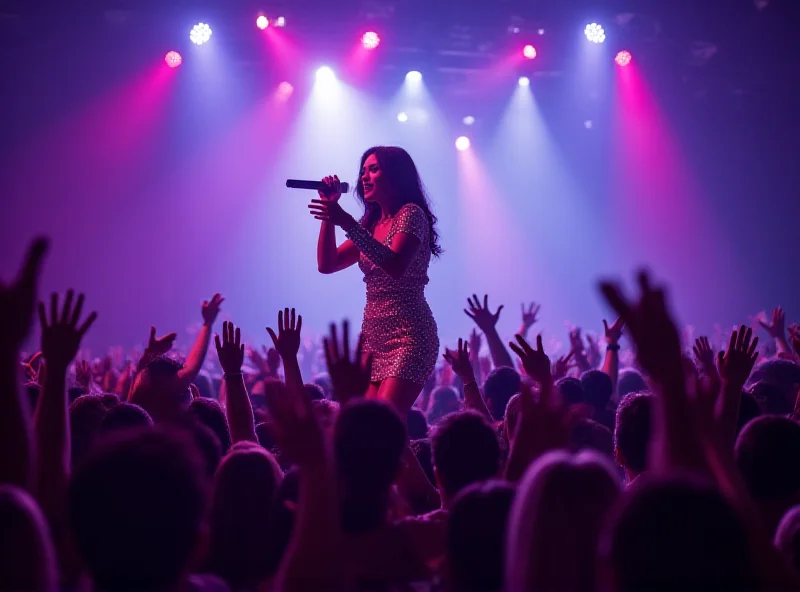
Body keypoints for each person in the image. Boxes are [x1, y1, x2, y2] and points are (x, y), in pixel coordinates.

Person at [309, 146, 441, 413]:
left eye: (373, 169)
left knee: (383, 428)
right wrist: (329, 212)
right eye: (362, 171)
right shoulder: (370, 224)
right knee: (368, 428)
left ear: (395, 175)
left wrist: (346, 222)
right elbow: (327, 264)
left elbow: (395, 265)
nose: (364, 177)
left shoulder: (411, 214)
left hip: (408, 335)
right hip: (373, 337)